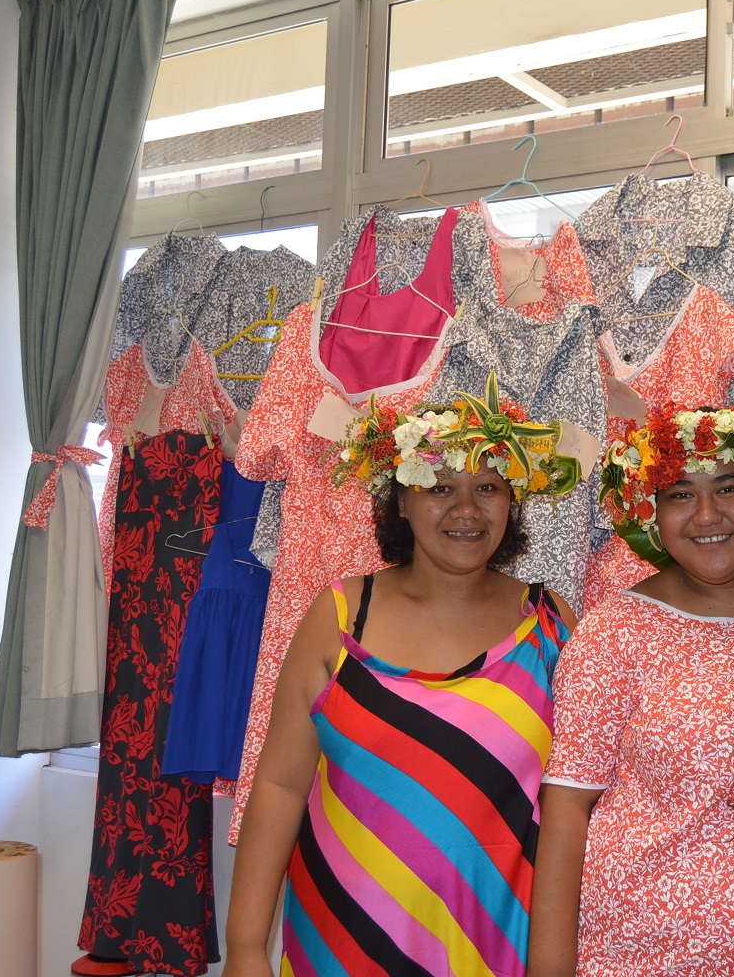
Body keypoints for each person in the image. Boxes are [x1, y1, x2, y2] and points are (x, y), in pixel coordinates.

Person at [222, 373, 583, 977]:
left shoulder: (550, 626)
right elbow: (281, 788)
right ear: (402, 498)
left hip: (498, 946)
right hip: (342, 944)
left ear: (512, 501)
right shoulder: (337, 615)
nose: (466, 509)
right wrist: (245, 948)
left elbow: (576, 805)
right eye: (440, 487)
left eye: (488, 488)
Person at [529, 402, 734, 977]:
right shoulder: (616, 630)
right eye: (680, 494)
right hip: (632, 947)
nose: (706, 514)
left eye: (730, 487)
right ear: (653, 510)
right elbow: (566, 809)